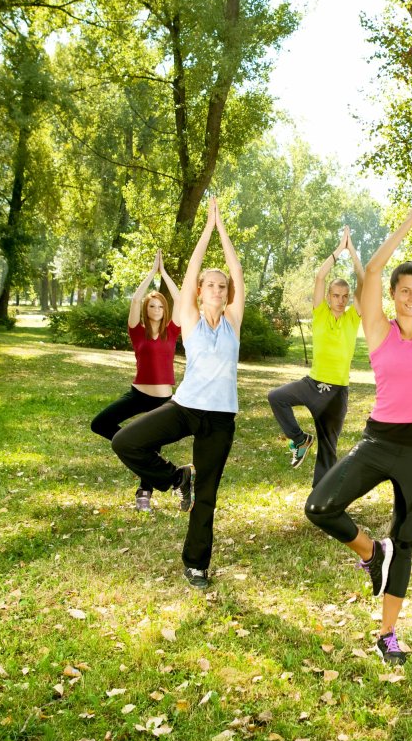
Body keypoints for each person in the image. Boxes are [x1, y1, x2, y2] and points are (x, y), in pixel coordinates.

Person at [303, 185, 412, 665]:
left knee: (408, 541)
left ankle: (388, 635)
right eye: (406, 292)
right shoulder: (377, 327)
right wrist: (405, 223)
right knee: (320, 506)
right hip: (378, 440)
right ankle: (372, 553)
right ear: (393, 296)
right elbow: (371, 269)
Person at [112, 196, 245, 590]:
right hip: (184, 407)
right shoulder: (188, 318)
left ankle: (196, 564)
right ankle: (175, 478)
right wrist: (208, 228)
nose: (217, 289)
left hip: (220, 420)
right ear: (201, 292)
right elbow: (189, 272)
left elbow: (236, 270)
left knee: (208, 494)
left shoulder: (234, 321)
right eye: (211, 285)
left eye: (223, 286)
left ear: (227, 293)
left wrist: (224, 231)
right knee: (125, 441)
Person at [267, 227, 366, 484]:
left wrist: (352, 251)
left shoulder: (353, 318)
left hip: (336, 393)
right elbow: (320, 277)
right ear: (329, 296)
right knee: (276, 397)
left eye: (345, 296)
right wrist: (338, 250)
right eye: (336, 295)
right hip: (311, 384)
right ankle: (300, 439)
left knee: (328, 450)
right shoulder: (320, 313)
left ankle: (319, 500)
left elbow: (363, 280)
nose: (341, 300)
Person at [91, 251, 181, 511]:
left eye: (160, 306)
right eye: (152, 306)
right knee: (100, 423)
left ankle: (144, 494)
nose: (156, 309)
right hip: (137, 393)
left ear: (166, 310)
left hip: (163, 399)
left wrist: (164, 275)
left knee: (152, 444)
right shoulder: (137, 332)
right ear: (146, 309)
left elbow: (180, 299)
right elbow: (134, 300)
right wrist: (150, 274)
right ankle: (134, 445)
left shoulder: (173, 330)